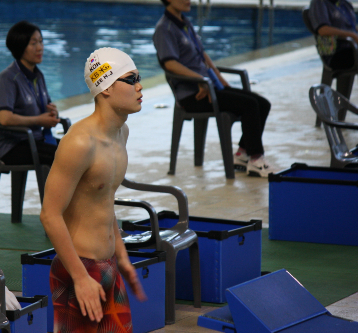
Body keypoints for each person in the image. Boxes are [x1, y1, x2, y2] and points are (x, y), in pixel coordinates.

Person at [40, 47, 147, 333]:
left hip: (109, 265)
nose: (140, 86)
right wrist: (79, 277)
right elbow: (50, 215)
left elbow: (104, 199)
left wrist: (122, 258)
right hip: (79, 268)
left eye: (139, 77)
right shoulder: (79, 143)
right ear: (107, 88)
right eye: (131, 79)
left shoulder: (121, 133)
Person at [153, 0, 273, 177]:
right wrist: (199, 80)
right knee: (249, 105)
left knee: (262, 103)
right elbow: (170, 64)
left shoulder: (184, 22)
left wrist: (219, 76)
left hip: (209, 86)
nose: (189, 0)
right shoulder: (164, 29)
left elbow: (202, 54)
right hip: (192, 96)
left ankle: (242, 154)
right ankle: (256, 160)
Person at [0, 20, 60, 166]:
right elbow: (5, 118)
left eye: (41, 42)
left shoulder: (37, 76)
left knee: (80, 150)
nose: (40, 48)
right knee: (68, 158)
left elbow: (44, 108)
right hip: (13, 146)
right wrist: (39, 120)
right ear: (20, 47)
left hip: (35, 139)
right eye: (33, 43)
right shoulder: (8, 78)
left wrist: (52, 113)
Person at [309, 0, 358, 71]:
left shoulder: (344, 3)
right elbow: (323, 30)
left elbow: (350, 27)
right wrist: (353, 35)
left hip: (352, 49)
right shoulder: (319, 3)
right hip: (337, 52)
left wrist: (354, 33)